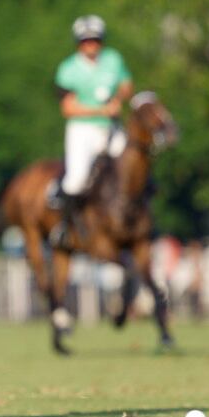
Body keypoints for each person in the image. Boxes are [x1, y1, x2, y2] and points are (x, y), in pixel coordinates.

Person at [50, 14, 132, 248]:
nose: (91, 44)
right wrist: (101, 110)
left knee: (130, 167)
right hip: (82, 129)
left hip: (111, 127)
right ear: (78, 43)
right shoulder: (68, 69)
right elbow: (68, 108)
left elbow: (126, 85)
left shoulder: (113, 60)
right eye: (86, 40)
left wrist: (118, 99)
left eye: (95, 40)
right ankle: (64, 228)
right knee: (76, 180)